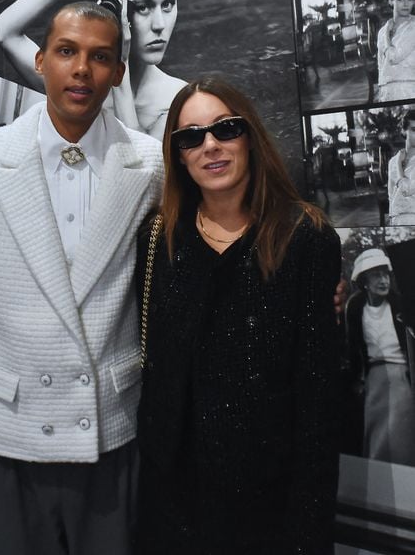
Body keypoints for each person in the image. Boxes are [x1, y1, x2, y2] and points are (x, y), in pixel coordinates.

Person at [0, 2, 164, 555]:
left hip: (108, 430)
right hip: (5, 437)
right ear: (40, 61)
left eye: (101, 57)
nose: (82, 69)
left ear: (118, 72)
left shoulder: (149, 163)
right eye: (67, 52)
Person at [136, 74, 342, 554]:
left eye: (225, 129)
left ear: (250, 136)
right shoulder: (159, 239)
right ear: (179, 156)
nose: (210, 146)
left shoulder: (305, 238)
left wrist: (308, 529)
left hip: (270, 502)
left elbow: (319, 398)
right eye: (191, 137)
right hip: (174, 501)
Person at [0, 0, 186, 139]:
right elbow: (5, 31)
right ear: (120, 12)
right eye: (143, 7)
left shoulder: (178, 99)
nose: (159, 24)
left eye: (168, 4)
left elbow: (139, 163)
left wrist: (122, 62)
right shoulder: (80, 85)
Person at [346, 248, 415, 466]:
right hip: (373, 377)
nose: (383, 280)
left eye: (385, 274)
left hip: (402, 374)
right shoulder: (356, 307)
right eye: (376, 275)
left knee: (399, 429)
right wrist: (357, 379)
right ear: (364, 280)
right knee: (373, 428)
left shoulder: (399, 303)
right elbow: (353, 346)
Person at [377, 0, 415, 101]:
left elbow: (394, 57)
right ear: (391, 1)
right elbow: (380, 66)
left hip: (409, 90)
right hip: (387, 92)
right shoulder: (382, 31)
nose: (406, 4)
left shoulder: (413, 27)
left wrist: (387, 33)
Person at [387, 110, 415, 225]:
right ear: (404, 131)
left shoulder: (396, 161)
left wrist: (399, 164)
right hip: (397, 219)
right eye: (414, 130)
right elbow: (391, 195)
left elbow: (406, 190)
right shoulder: (393, 161)